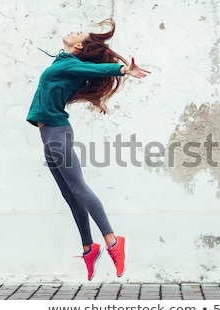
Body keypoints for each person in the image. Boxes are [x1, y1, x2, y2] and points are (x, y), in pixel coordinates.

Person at [26, 19, 150, 281]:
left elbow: (96, 70)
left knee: (79, 188)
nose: (72, 30)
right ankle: (88, 247)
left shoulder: (71, 63)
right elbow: (78, 82)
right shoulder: (63, 64)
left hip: (56, 133)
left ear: (79, 45)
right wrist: (96, 98)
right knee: (70, 195)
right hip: (48, 134)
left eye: (78, 33)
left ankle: (113, 241)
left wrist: (123, 69)